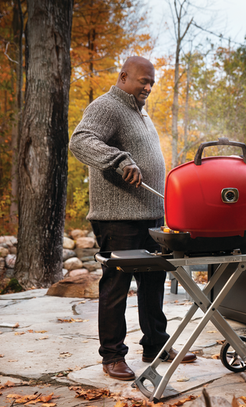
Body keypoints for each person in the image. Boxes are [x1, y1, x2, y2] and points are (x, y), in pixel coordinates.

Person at [69, 56, 196, 381]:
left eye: (152, 82)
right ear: (124, 77)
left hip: (151, 217)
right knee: (116, 286)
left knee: (153, 284)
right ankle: (112, 356)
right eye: (144, 81)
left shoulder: (140, 113)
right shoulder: (107, 106)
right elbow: (80, 141)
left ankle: (156, 344)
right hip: (118, 219)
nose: (149, 87)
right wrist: (119, 160)